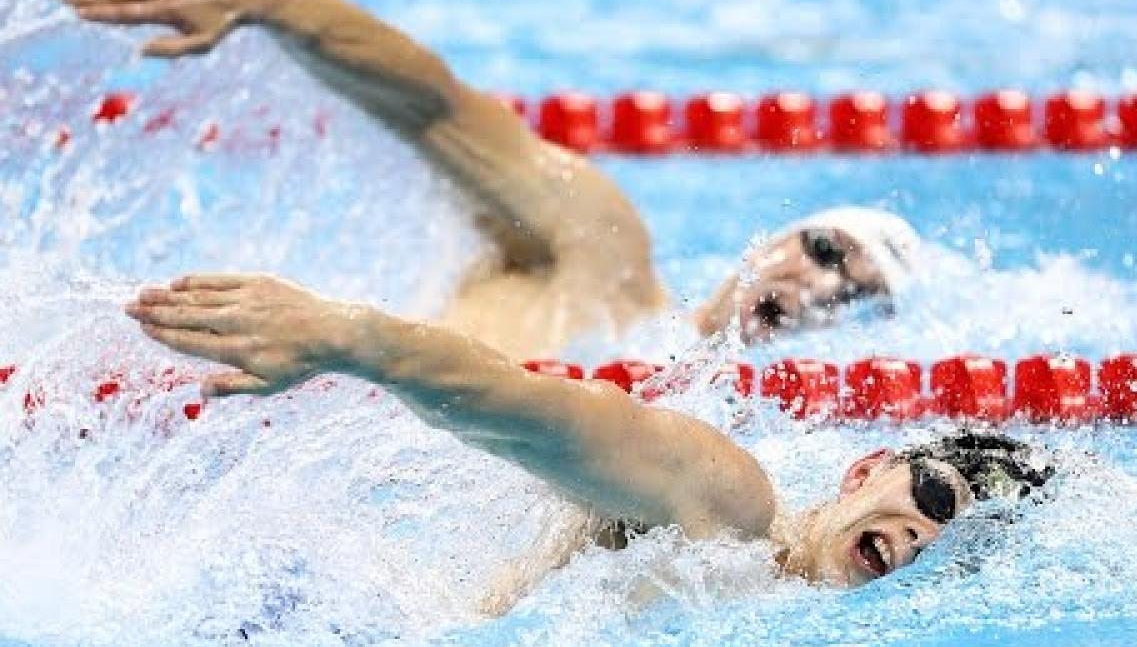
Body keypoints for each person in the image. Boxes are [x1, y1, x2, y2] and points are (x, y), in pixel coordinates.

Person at [60, 0, 921, 361]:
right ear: (774, 237)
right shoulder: (602, 256)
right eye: (825, 251)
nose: (819, 289)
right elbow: (439, 107)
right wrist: (276, 3)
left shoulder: (727, 469)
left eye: (855, 296)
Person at [123, 273, 1053, 611]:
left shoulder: (780, 598)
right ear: (865, 470)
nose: (929, 534)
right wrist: (353, 339)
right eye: (933, 496)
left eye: (954, 540)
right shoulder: (730, 503)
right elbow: (527, 408)